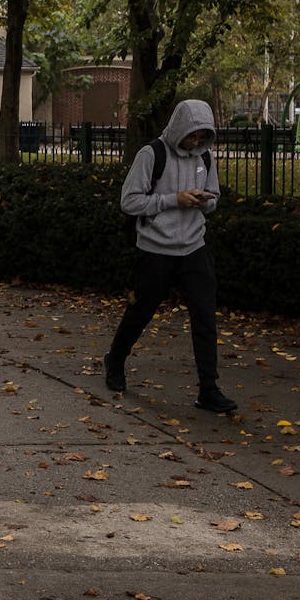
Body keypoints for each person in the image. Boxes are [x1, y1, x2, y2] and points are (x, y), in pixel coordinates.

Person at [103, 99, 236, 413]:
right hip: (155, 249)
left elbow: (214, 197)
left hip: (194, 247)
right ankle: (115, 360)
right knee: (141, 311)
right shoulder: (152, 154)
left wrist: (205, 201)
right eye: (192, 135)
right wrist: (173, 200)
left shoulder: (205, 156)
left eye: (203, 136)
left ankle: (209, 389)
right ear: (180, 128)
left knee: (204, 318)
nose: (196, 141)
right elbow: (130, 201)